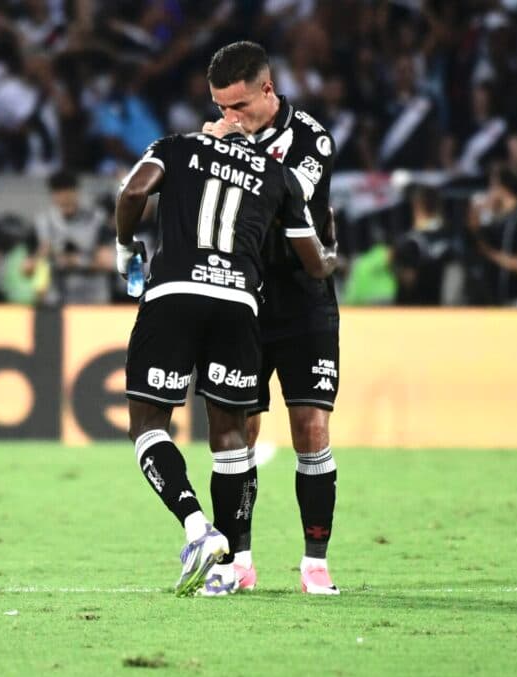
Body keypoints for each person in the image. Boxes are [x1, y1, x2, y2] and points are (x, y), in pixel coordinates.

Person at [117, 126, 336, 597]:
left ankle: (198, 526)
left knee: (147, 425)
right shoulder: (275, 171)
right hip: (240, 301)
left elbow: (134, 189)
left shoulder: (179, 146)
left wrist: (124, 246)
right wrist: (330, 256)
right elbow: (312, 259)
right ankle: (230, 566)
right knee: (231, 433)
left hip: (175, 290)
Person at [202, 41, 341, 595]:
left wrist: (228, 155)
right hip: (240, 298)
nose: (227, 118)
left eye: (237, 106)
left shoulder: (311, 138)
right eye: (218, 108)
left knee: (311, 426)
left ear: (267, 88)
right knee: (235, 429)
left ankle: (314, 563)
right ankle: (238, 561)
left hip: (303, 299)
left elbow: (285, 203)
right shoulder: (217, 134)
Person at [34, 170, 114, 304]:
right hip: (57, 301)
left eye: (68, 193)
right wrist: (42, 258)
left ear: (76, 192)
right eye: (59, 194)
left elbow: (107, 262)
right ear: (53, 196)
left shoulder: (97, 219)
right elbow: (27, 266)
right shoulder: (43, 223)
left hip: (93, 299)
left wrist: (75, 261)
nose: (64, 199)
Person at [465, 165, 517, 306]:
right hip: (494, 303)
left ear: (502, 188)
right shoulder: (498, 220)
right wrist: (476, 229)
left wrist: (490, 254)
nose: (489, 192)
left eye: (491, 187)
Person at [395, 185, 456, 306]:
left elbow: (408, 280)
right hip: (449, 308)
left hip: (418, 309)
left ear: (417, 205)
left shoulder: (411, 241)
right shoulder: (452, 236)